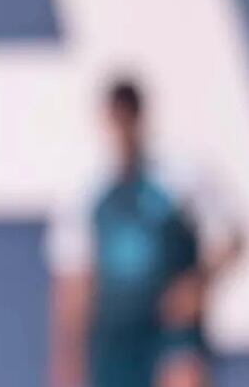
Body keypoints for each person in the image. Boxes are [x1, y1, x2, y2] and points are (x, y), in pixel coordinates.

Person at [48, 78, 244, 387]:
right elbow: (74, 282)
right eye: (116, 120)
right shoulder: (86, 191)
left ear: (141, 117)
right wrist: (68, 360)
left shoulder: (182, 174)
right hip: (116, 338)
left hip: (171, 328)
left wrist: (201, 281)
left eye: (129, 118)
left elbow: (232, 235)